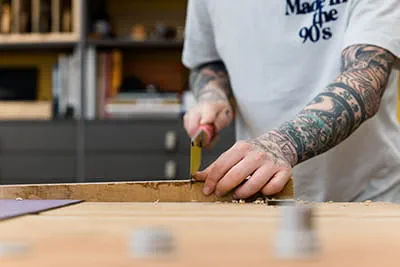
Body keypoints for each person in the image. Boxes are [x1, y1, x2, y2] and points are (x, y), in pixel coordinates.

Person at [181, 0, 400, 202]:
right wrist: (213, 94)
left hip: (367, 196)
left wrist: (280, 145)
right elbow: (207, 60)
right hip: (258, 193)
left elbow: (366, 77)